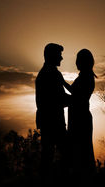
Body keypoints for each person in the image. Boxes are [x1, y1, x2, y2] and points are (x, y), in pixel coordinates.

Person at [35, 43, 71, 176]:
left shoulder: (48, 73)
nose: (61, 58)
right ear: (52, 56)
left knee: (48, 156)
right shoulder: (51, 74)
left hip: (47, 121)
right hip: (53, 122)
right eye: (59, 55)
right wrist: (78, 100)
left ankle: (49, 186)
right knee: (64, 154)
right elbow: (59, 98)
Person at [66, 49, 96, 175]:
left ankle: (85, 179)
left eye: (78, 60)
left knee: (81, 149)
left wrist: (61, 81)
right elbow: (74, 92)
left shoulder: (87, 77)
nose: (76, 63)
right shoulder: (84, 76)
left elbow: (75, 94)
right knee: (81, 149)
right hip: (78, 116)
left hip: (80, 118)